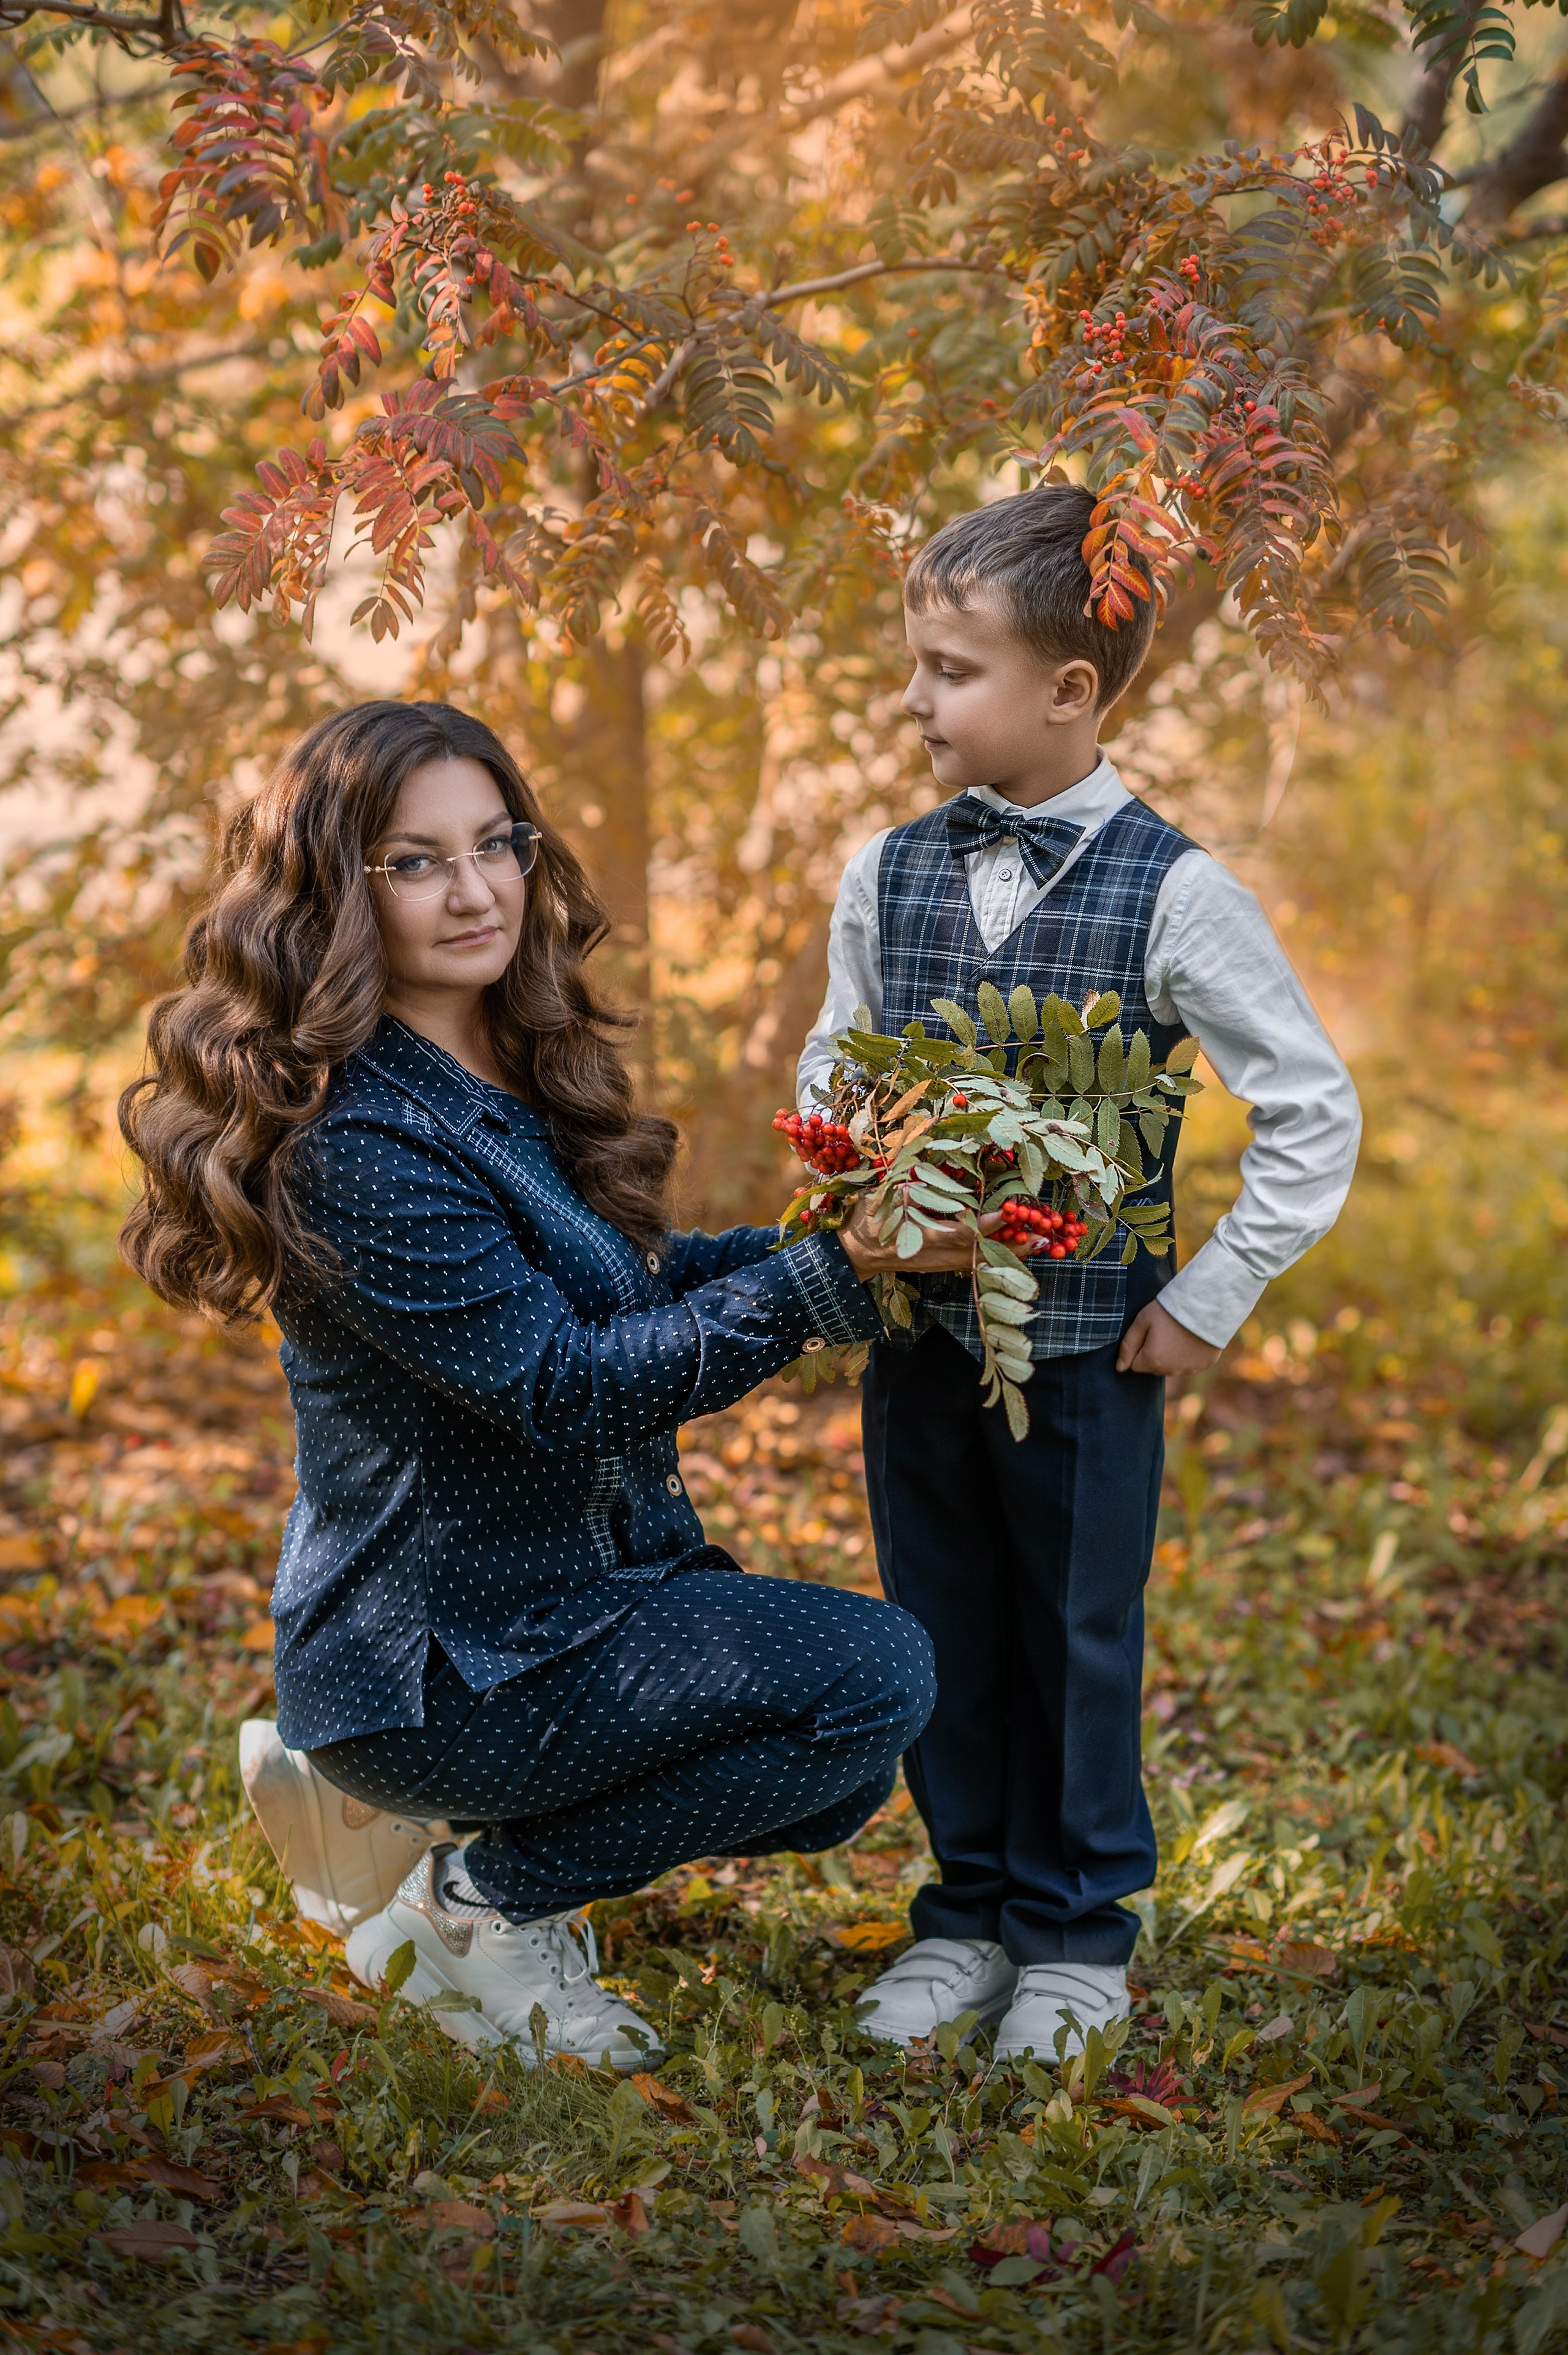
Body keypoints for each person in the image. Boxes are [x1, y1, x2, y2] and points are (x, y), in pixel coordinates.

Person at [118, 699, 1016, 2067]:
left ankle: (404, 1833)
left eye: (496, 842)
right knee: (870, 1681)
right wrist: (827, 1277)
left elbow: (624, 1281)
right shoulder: (358, 1140)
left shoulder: (493, 1053)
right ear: (333, 892)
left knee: (835, 1775)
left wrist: (847, 1233)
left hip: (564, 1607)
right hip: (443, 1667)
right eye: (413, 860)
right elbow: (566, 1385)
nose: (474, 890)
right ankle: (470, 1900)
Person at [797, 486, 1362, 2060]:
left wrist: (1209, 1293)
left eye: (948, 667)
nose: (914, 697)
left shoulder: (1175, 890)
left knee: (1072, 1628)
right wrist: (849, 1175)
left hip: (1094, 1344)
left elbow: (1311, 1104)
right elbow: (834, 1060)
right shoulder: (884, 872)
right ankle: (962, 1910)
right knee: (939, 1621)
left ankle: (1071, 1935)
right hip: (920, 1334)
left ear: (1067, 692)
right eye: (913, 662)